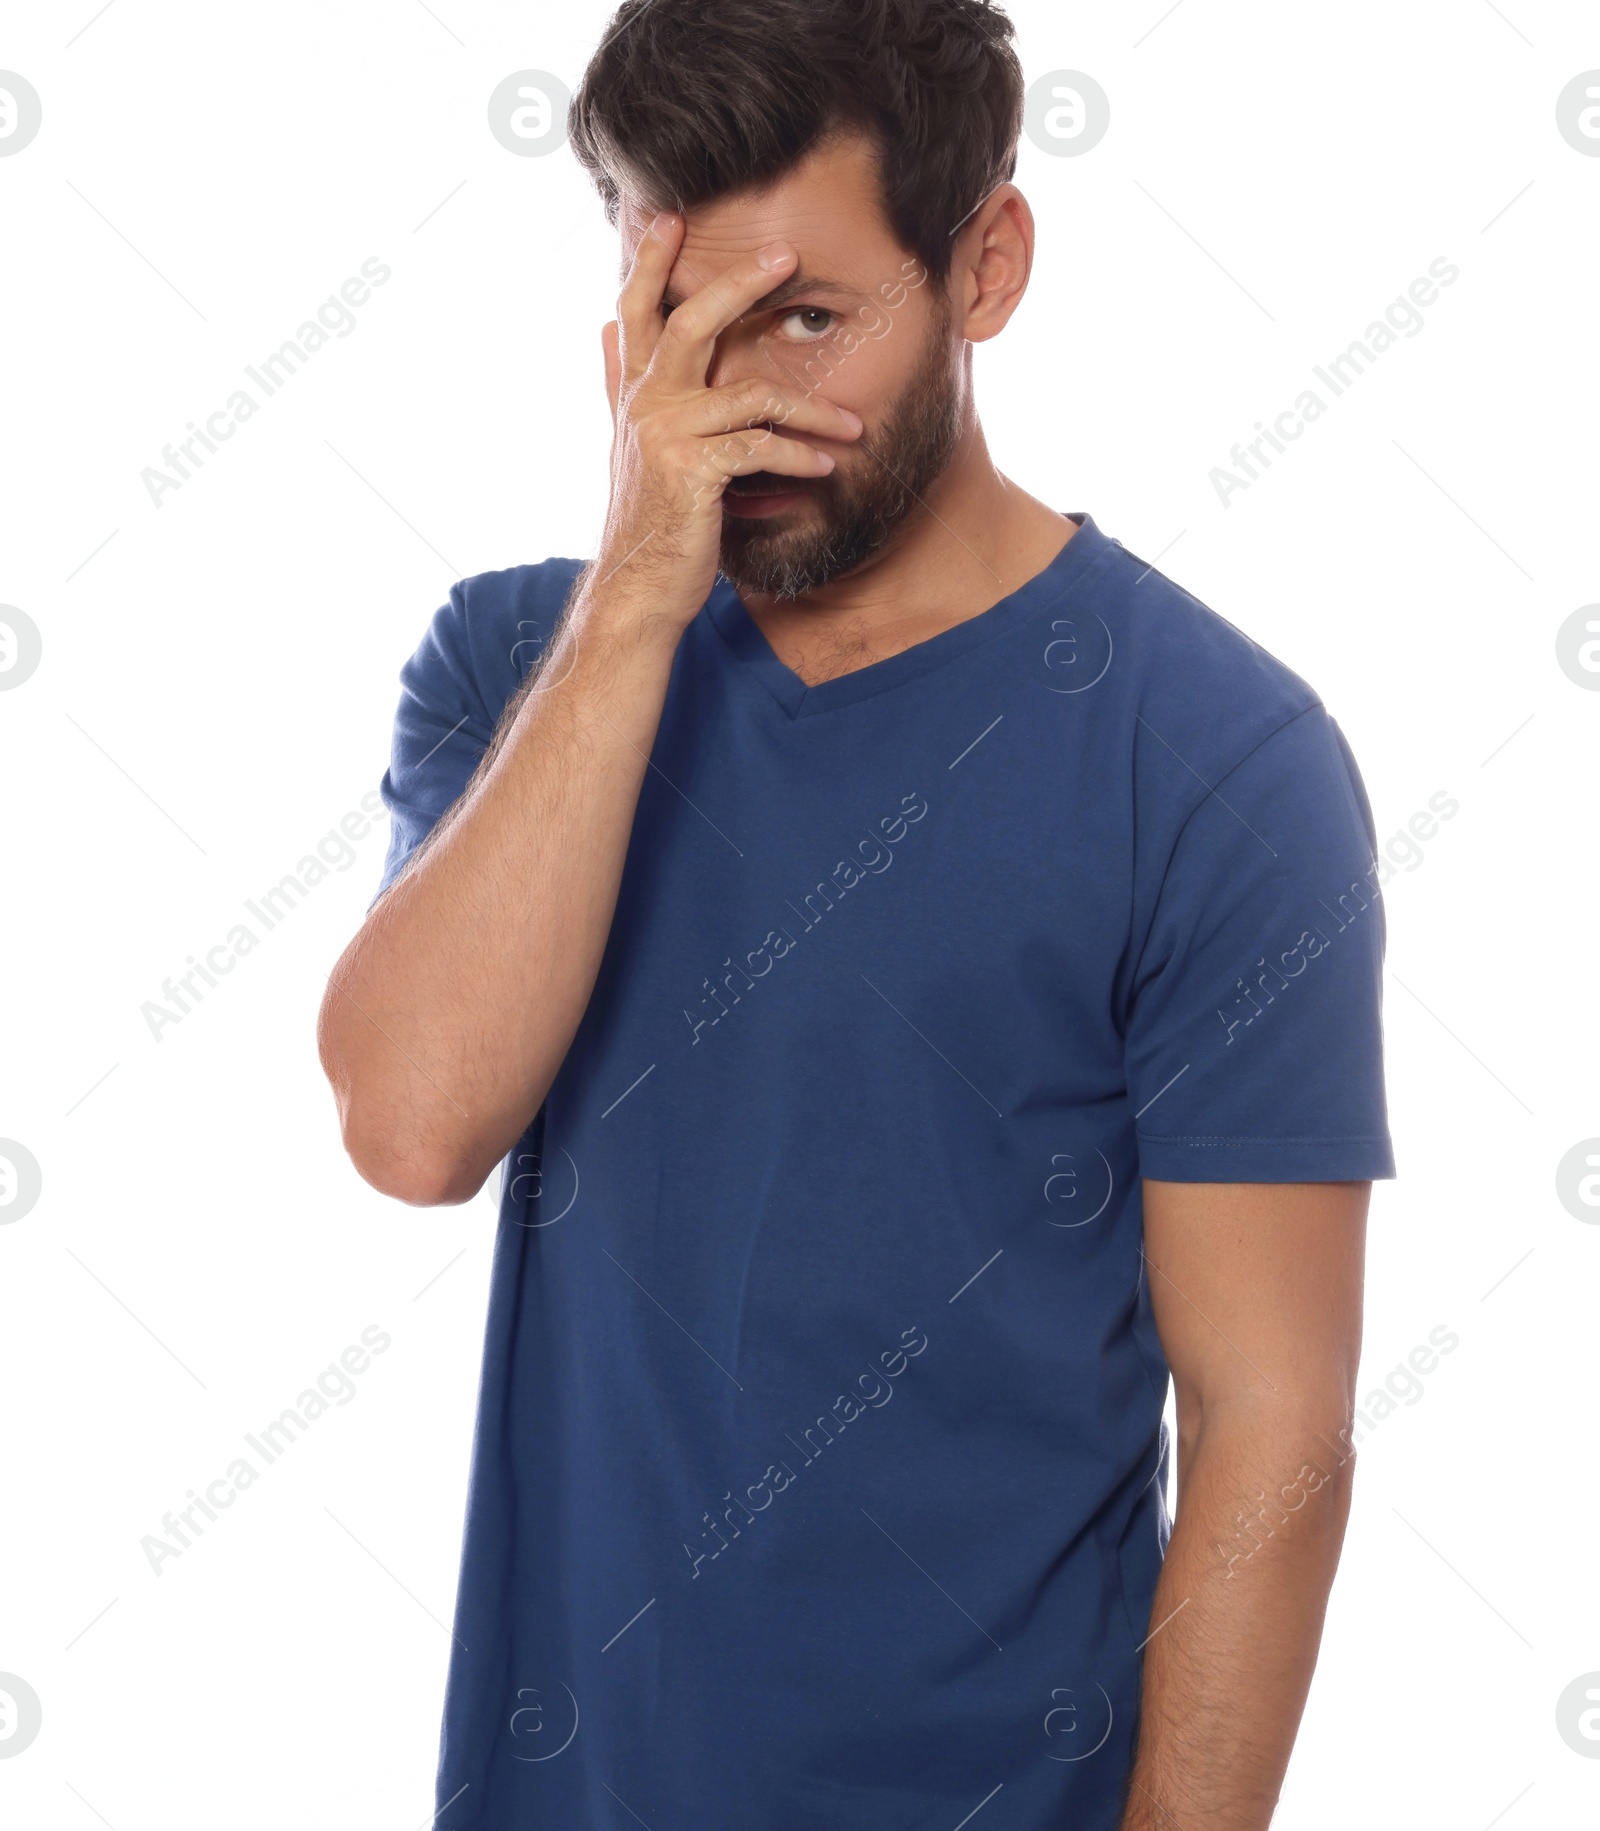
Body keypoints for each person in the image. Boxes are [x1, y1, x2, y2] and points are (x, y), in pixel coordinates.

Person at [318, 2, 1394, 1825]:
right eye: (687, 321)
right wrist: (641, 597)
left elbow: (1270, 1434)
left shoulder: (1214, 753)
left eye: (810, 320)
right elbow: (415, 1129)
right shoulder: (518, 666)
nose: (740, 402)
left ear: (986, 265)